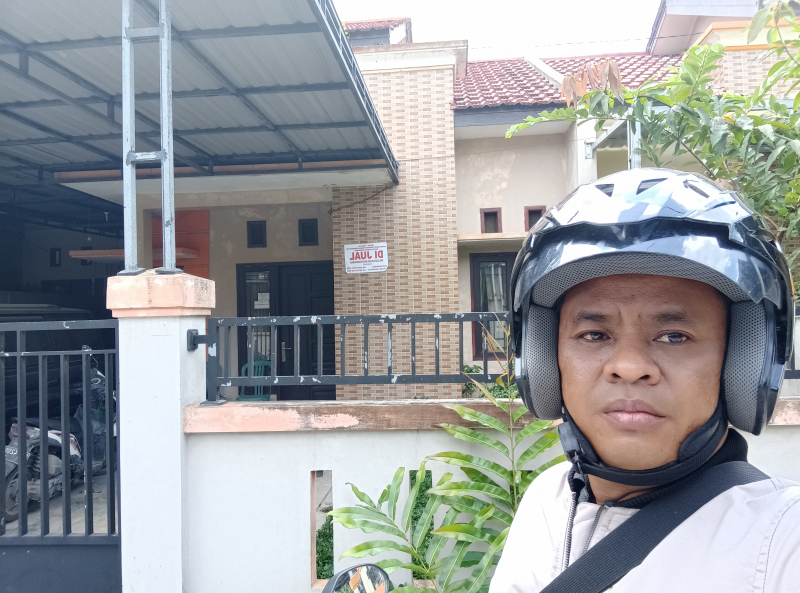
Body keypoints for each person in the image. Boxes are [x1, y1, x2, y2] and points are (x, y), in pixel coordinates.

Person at [491, 169, 800, 592]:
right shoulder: (546, 499)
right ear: (546, 357)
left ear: (741, 361)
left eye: (674, 336)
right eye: (594, 335)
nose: (630, 366)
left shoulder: (783, 536)